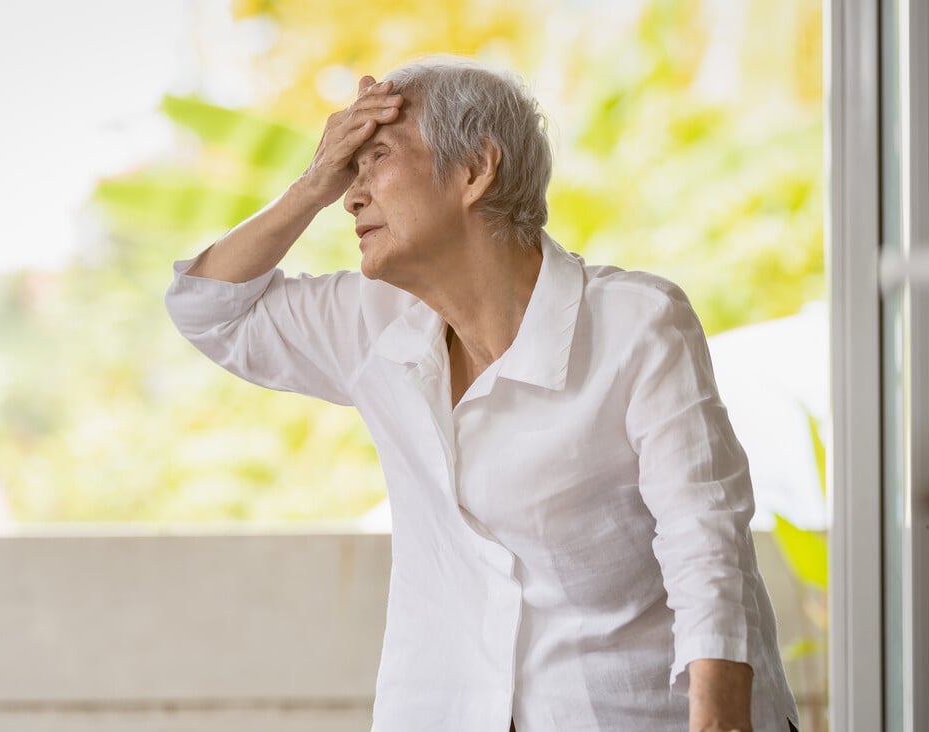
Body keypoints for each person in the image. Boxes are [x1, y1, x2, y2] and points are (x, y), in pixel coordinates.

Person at [164, 57, 800, 732]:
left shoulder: (635, 326)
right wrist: (310, 185)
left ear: (475, 170)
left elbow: (705, 544)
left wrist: (721, 722)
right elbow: (208, 308)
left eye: (375, 157)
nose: (352, 195)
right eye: (348, 171)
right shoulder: (373, 325)